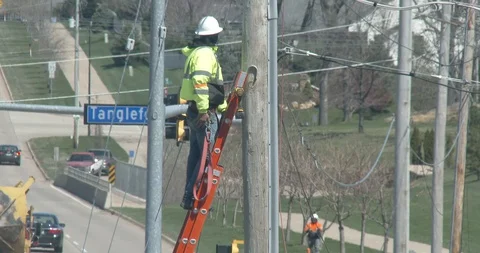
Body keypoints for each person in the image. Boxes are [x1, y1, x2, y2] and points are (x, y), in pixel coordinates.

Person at [179, 16, 228, 210]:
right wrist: (203, 111)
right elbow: (200, 82)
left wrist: (223, 107)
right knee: (206, 158)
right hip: (202, 112)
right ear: (212, 37)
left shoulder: (197, 53)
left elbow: (211, 88)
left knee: (196, 155)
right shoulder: (206, 54)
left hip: (197, 109)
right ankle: (194, 196)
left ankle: (189, 196)